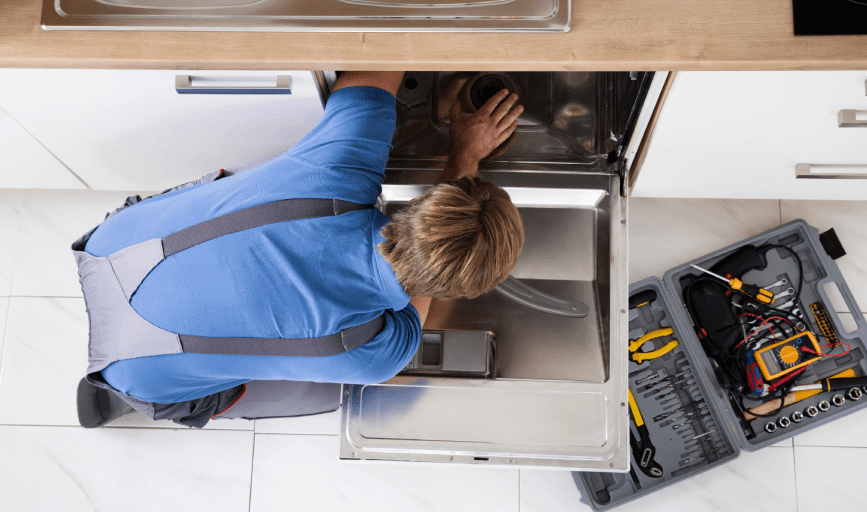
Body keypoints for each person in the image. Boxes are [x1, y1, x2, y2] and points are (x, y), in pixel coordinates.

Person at [81, 71, 525, 407]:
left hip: (112, 246)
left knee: (234, 193)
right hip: (131, 372)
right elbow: (418, 295)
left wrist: (464, 153)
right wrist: (464, 160)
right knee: (266, 387)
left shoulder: (339, 173)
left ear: (431, 202)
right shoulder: (374, 354)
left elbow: (376, 64)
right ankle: (119, 399)